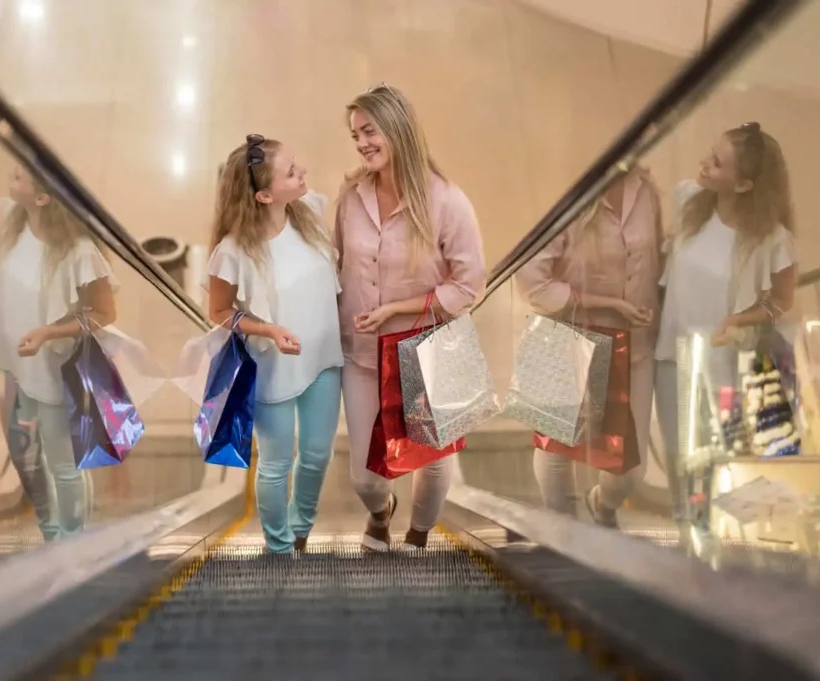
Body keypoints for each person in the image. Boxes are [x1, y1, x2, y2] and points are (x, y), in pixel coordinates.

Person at [335, 84, 486, 552]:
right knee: (364, 474)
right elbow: (334, 264)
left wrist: (397, 309)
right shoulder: (349, 196)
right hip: (361, 353)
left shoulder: (447, 201)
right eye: (355, 134)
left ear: (398, 129)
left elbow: (469, 285)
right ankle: (380, 513)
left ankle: (418, 538)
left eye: (370, 130)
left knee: (433, 460)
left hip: (429, 348)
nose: (361, 142)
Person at [206, 135, 343, 554]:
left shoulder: (310, 214)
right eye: (291, 172)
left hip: (323, 358)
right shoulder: (233, 252)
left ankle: (300, 532)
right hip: (272, 366)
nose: (302, 173)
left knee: (318, 454)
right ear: (264, 195)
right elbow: (219, 312)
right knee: (276, 463)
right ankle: (279, 548)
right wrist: (268, 330)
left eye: (296, 165)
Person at [655, 122, 796, 523]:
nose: (705, 164)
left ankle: (715, 556)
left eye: (717, 164)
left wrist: (740, 317)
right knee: (680, 462)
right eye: (710, 154)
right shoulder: (687, 201)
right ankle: (690, 553)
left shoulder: (772, 237)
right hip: (671, 357)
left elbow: (782, 300)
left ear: (745, 184)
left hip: (725, 364)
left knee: (717, 464)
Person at [515, 167, 663, 528]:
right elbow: (533, 282)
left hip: (635, 341)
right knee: (555, 452)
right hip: (566, 334)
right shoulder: (566, 192)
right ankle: (565, 535)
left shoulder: (645, 190)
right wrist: (605, 303)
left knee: (631, 470)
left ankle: (604, 504)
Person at [0, 164, 117, 541]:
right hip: (13, 366)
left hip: (55, 365)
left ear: (43, 197)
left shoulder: (79, 251)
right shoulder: (11, 231)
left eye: (18, 176)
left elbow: (105, 312)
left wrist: (48, 332)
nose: (9, 178)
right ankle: (51, 536)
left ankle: (71, 541)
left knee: (61, 462)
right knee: (25, 456)